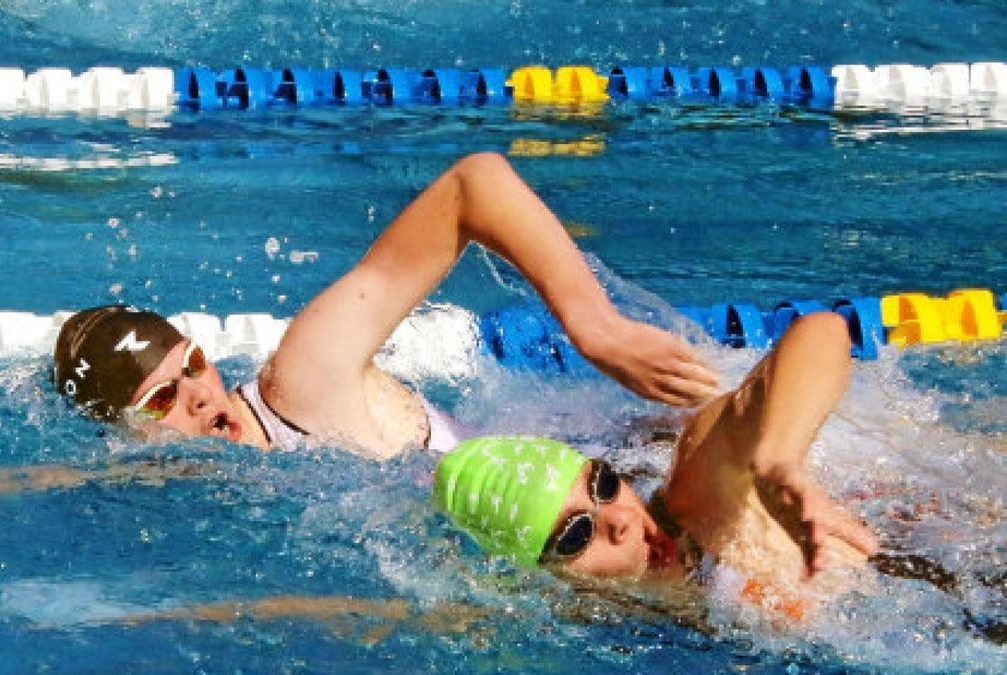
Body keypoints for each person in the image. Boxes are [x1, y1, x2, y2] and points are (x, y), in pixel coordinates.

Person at [53, 152, 719, 459]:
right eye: (161, 401)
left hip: (635, 475)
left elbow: (473, 186)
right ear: (124, 437)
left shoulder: (300, 381)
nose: (199, 395)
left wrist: (595, 328)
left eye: (191, 365)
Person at [434, 312, 881, 621]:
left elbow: (823, 331)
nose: (624, 521)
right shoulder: (578, 608)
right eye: (577, 534)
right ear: (540, 575)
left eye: (605, 485)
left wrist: (777, 461)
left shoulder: (702, 492)